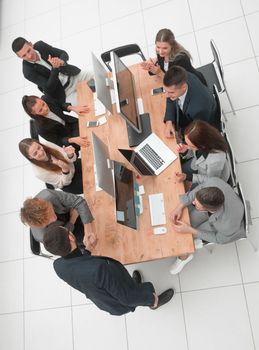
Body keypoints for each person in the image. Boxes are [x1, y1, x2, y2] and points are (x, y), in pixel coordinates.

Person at [43, 225, 175, 316]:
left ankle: (133, 284)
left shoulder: (58, 265)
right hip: (119, 300)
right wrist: (150, 298)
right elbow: (127, 298)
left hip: (103, 293)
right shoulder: (99, 270)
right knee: (134, 294)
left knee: (125, 284)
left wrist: (88, 249)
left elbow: (79, 265)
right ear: (71, 237)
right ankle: (154, 303)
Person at [168, 177, 245, 274]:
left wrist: (190, 230)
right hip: (221, 210)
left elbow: (219, 239)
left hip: (223, 226)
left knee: (186, 235)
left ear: (206, 209)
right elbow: (197, 191)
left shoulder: (227, 226)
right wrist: (180, 206)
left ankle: (184, 257)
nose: (193, 202)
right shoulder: (213, 183)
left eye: (196, 205)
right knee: (186, 219)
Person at [12, 37, 93, 104]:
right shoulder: (27, 72)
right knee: (88, 107)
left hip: (73, 76)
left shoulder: (40, 45)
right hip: (64, 93)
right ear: (19, 57)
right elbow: (49, 87)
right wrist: (55, 68)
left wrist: (61, 61)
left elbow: (63, 53)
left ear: (31, 44)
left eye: (29, 50)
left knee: (98, 77)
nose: (29, 56)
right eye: (24, 55)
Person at [20, 189, 94, 245]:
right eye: (48, 220)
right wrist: (73, 219)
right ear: (43, 225)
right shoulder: (43, 236)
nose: (54, 218)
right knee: (91, 241)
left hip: (71, 211)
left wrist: (88, 230)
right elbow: (64, 238)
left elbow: (79, 201)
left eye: (51, 212)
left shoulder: (48, 195)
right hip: (67, 231)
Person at [163, 65, 218, 140]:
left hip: (200, 125)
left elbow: (195, 131)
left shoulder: (198, 109)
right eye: (165, 90)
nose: (166, 95)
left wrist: (178, 134)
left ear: (184, 87)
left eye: (171, 92)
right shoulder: (181, 76)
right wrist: (169, 121)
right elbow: (170, 98)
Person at [22, 94, 89, 151]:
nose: (45, 108)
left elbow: (60, 105)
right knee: (88, 141)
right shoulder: (41, 129)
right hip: (69, 138)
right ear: (34, 113)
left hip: (72, 123)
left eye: (43, 104)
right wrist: (74, 140)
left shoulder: (46, 98)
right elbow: (58, 141)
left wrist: (73, 108)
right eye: (40, 110)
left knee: (90, 122)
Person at [175, 120, 230, 187]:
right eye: (186, 143)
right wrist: (185, 151)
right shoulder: (206, 139)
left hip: (211, 182)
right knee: (178, 169)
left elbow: (211, 180)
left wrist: (188, 177)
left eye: (191, 146)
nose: (187, 146)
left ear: (202, 145)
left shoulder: (215, 161)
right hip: (198, 166)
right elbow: (195, 152)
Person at [141, 28, 206, 85]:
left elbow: (174, 83)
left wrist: (159, 72)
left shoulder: (181, 59)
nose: (160, 51)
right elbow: (162, 66)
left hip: (193, 84)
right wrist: (151, 67)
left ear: (172, 46)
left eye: (165, 48)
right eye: (158, 47)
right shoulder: (161, 53)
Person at [19, 138, 83, 194]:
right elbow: (64, 183)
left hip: (73, 165)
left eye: (39, 147)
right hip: (71, 183)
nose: (40, 152)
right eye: (35, 153)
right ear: (30, 157)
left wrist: (70, 155)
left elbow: (71, 160)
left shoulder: (46, 144)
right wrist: (65, 170)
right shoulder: (39, 173)